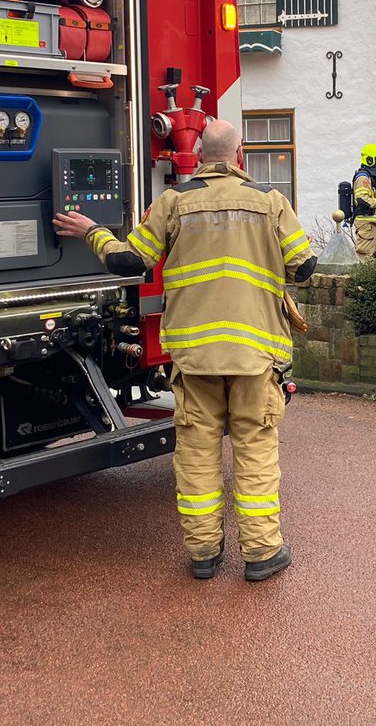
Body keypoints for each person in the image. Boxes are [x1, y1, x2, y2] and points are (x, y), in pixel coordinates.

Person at [52, 120, 316, 582]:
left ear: (197, 153)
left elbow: (128, 262)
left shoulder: (174, 204)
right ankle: (260, 554)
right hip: (255, 355)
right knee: (255, 451)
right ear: (241, 155)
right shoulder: (271, 203)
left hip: (195, 358)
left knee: (196, 453)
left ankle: (202, 554)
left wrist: (93, 230)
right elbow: (305, 266)